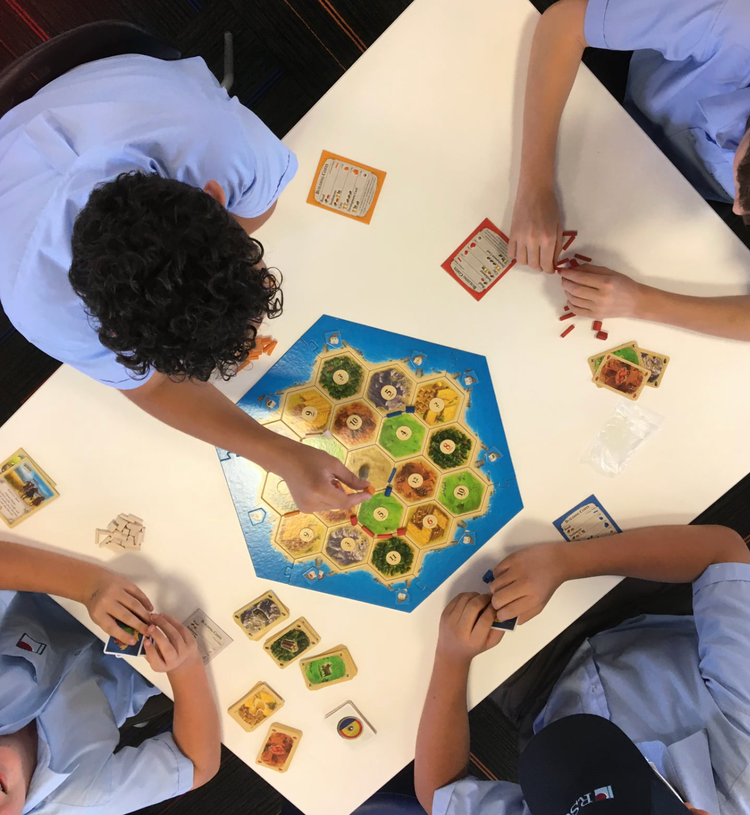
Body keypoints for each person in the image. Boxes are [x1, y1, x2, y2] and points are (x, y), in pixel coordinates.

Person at [0, 53, 370, 513]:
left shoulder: (222, 143)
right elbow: (153, 387)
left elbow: (260, 206)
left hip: (107, 84)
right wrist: (284, 456)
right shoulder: (39, 306)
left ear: (214, 194)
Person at [414, 523, 750, 815]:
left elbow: (440, 796)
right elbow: (724, 553)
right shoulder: (742, 748)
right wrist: (566, 561)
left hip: (536, 685)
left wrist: (452, 658)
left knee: (435, 574)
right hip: (633, 603)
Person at [509, 0, 750, 341]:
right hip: (611, 88)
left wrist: (641, 303)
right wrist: (534, 188)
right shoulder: (733, 23)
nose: (736, 208)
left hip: (670, 192)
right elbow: (564, 23)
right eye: (741, 179)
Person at [0, 538, 220, 814]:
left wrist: (88, 587)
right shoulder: (78, 800)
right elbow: (198, 766)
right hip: (146, 651)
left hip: (51, 561)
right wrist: (186, 669)